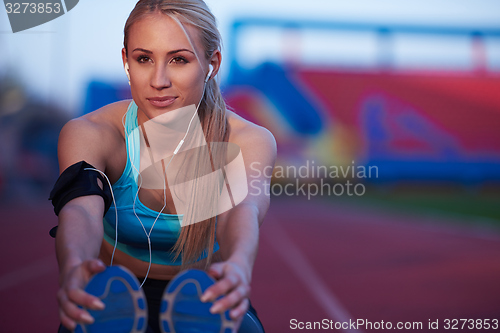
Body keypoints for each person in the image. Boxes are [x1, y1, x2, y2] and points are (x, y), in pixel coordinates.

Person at [51, 0, 276, 332]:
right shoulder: (92, 134)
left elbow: (242, 210)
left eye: (179, 60)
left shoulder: (249, 140)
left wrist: (239, 265)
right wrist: (74, 265)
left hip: (202, 298)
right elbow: (81, 211)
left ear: (211, 64)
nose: (158, 80)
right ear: (126, 61)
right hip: (117, 298)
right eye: (144, 59)